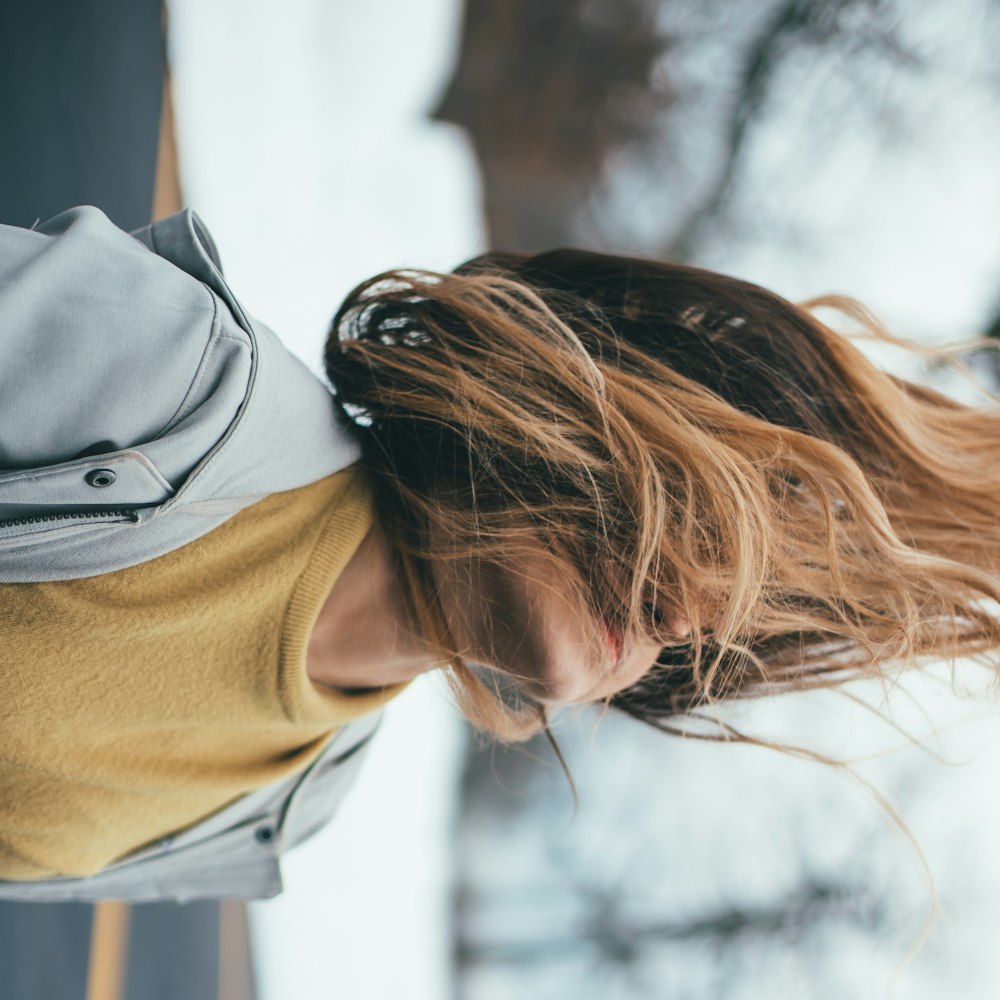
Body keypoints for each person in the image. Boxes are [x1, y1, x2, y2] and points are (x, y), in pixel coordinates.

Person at [2, 204, 999, 900]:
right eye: (698, 529)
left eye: (729, 612)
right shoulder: (170, 381)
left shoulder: (292, 804)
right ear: (558, 401)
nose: (684, 615)